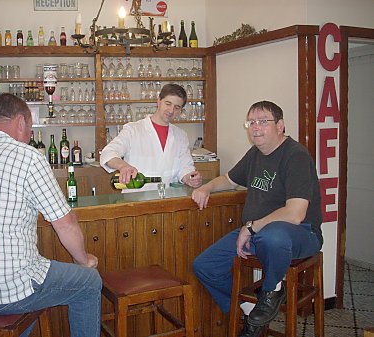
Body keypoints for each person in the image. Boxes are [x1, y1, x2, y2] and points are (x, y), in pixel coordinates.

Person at [0, 93, 102, 337]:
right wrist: (84, 261)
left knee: (22, 300)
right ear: (20, 122)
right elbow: (66, 223)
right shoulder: (28, 157)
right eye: (30, 128)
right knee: (89, 282)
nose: (29, 135)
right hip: (8, 291)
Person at [191, 101, 323, 337]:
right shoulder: (256, 153)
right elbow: (230, 180)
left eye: (263, 121)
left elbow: (295, 213)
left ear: (280, 125)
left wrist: (251, 227)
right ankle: (250, 311)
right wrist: (207, 187)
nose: (255, 128)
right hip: (258, 234)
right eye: (251, 122)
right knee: (205, 266)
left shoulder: (296, 156)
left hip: (301, 233)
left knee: (272, 235)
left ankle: (272, 289)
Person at [100, 83, 202, 192]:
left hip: (168, 199)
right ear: (158, 101)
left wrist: (190, 178)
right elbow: (108, 153)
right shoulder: (133, 130)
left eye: (177, 107)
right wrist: (123, 166)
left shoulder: (181, 135)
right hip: (136, 201)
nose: (171, 111)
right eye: (168, 103)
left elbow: (185, 167)